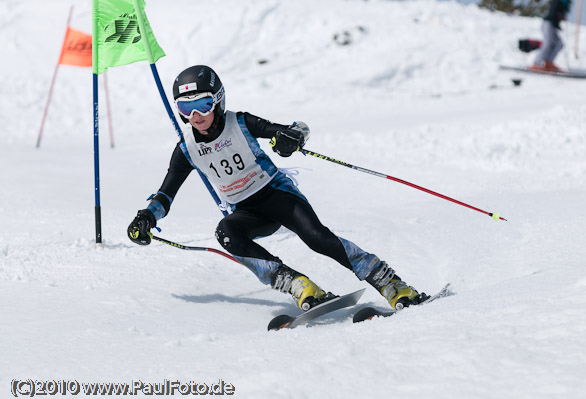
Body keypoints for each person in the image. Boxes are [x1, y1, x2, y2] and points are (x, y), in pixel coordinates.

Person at [127, 65, 429, 312]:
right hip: (248, 212)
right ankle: (297, 284)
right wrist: (147, 217)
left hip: (278, 196)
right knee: (226, 232)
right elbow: (166, 194)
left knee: (317, 238)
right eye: (186, 108)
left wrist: (289, 138)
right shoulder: (186, 149)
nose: (196, 116)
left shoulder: (240, 123)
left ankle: (393, 285)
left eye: (203, 104)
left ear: (218, 100)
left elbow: (294, 129)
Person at [531, 0, 571, 72]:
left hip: (552, 25)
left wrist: (560, 17)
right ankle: (537, 63)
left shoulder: (566, 2)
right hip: (548, 23)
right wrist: (558, 16)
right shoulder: (557, 1)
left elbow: (558, 13)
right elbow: (553, 12)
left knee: (559, 44)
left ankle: (548, 62)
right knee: (548, 42)